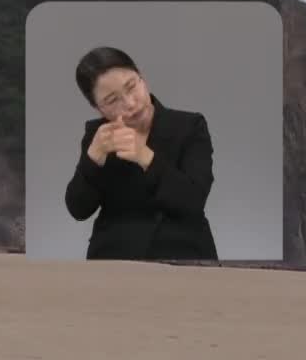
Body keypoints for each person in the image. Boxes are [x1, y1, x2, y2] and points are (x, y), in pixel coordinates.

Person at [63, 46, 218, 261]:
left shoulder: (189, 126)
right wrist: (93, 159)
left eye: (131, 87)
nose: (130, 103)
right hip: (114, 257)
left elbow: (193, 201)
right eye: (112, 100)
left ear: (142, 79)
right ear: (98, 109)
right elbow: (78, 210)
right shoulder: (98, 136)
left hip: (184, 252)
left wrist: (145, 156)